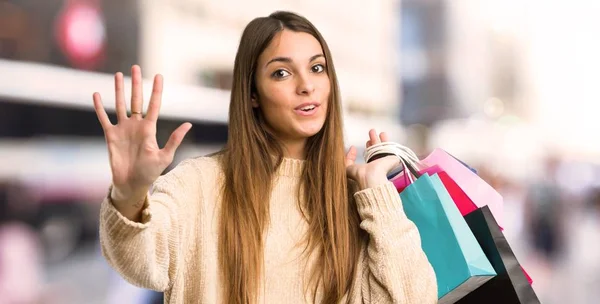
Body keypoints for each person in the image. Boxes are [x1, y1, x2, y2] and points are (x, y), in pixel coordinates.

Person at [93, 11, 436, 304]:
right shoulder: (198, 183)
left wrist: (376, 190)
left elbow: (415, 296)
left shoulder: (354, 200)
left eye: (317, 68)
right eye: (281, 73)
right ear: (253, 94)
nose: (307, 86)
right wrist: (130, 192)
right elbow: (138, 260)